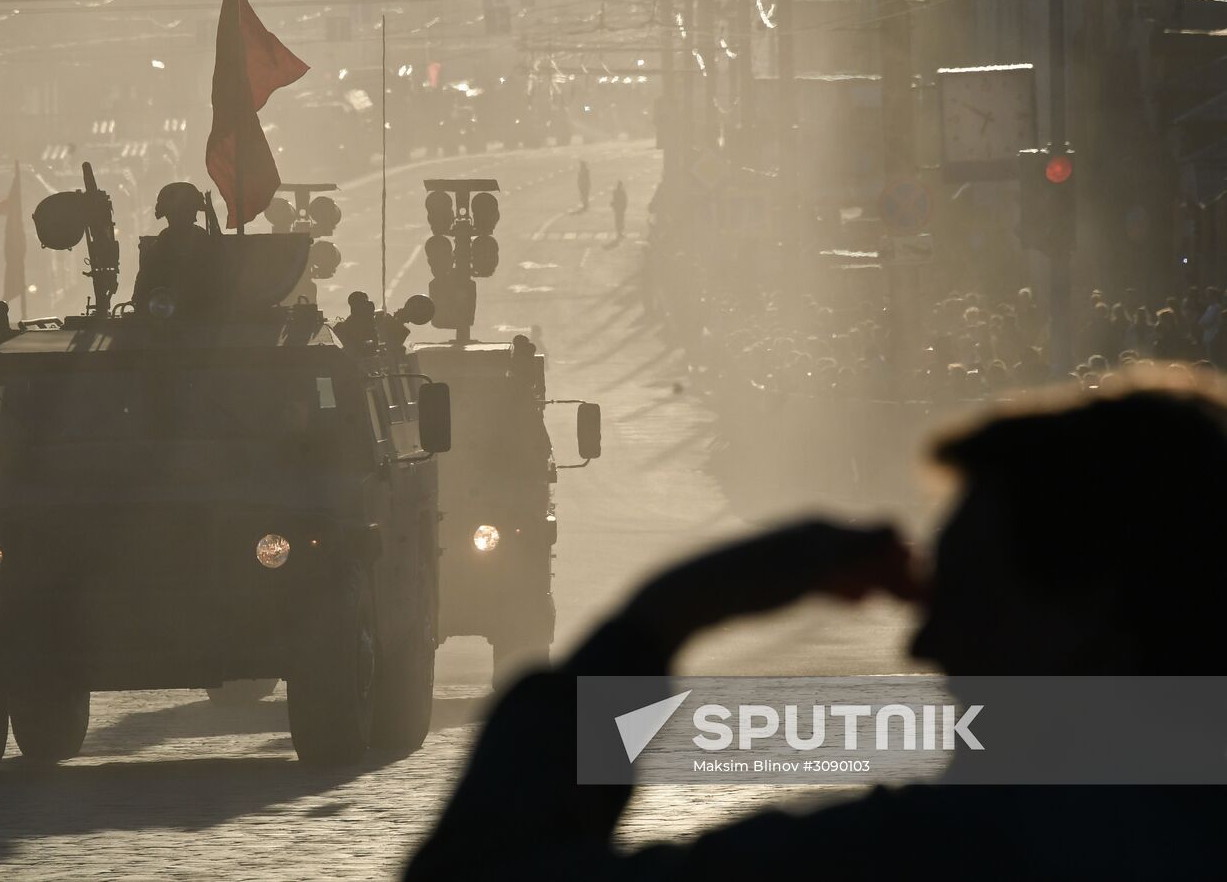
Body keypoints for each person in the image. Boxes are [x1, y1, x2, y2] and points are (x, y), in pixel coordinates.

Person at [408, 373, 1227, 879]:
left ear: (1087, 615)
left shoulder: (954, 850)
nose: (922, 645)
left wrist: (658, 622)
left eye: (971, 597)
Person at [132, 181, 213, 316]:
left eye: (188, 210)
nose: (183, 216)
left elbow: (223, 284)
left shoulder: (208, 245)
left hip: (207, 318)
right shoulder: (157, 249)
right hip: (165, 321)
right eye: (177, 212)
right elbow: (142, 291)